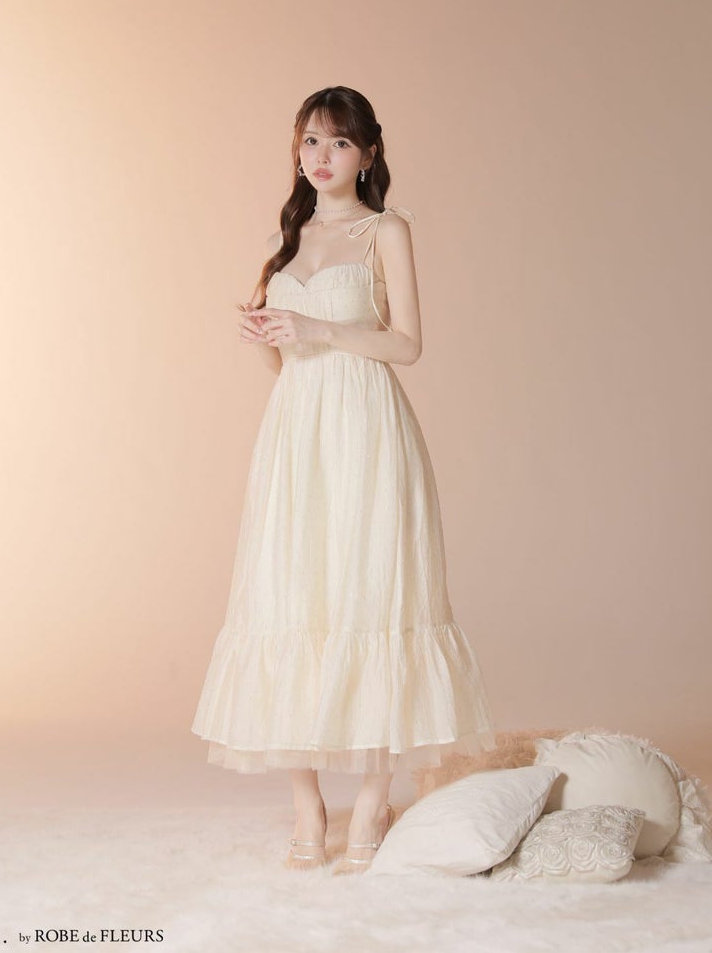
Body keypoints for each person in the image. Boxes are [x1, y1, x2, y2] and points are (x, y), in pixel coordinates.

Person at [191, 86, 496, 874]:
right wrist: (268, 336)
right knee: (290, 600)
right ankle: (307, 804)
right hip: (297, 435)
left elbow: (408, 345)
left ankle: (371, 801)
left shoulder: (385, 230)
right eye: (309, 142)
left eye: (337, 142)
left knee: (374, 597)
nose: (320, 157)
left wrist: (320, 326)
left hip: (368, 430)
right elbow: (289, 364)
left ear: (367, 154)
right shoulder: (283, 238)